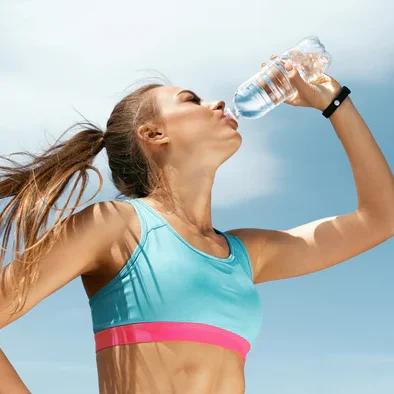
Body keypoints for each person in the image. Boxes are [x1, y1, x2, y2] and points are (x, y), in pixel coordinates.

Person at [1, 56, 393, 394]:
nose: (218, 102)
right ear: (155, 133)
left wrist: (335, 102)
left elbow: (380, 219)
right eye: (192, 99)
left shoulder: (244, 255)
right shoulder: (115, 226)